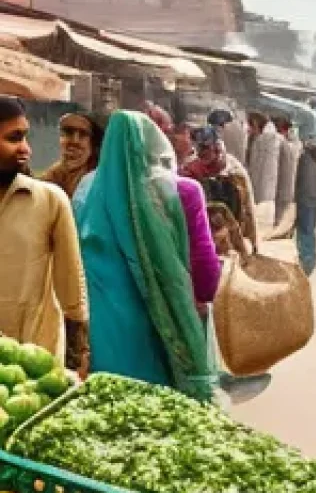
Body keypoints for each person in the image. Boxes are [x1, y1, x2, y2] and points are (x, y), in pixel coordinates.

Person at [75, 110, 218, 401]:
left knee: (108, 412)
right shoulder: (180, 191)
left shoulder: (86, 189)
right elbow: (206, 276)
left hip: (102, 331)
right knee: (160, 414)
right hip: (162, 332)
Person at [0, 97, 89, 373]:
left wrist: (79, 355)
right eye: (14, 138)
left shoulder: (49, 200)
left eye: (25, 137)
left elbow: (72, 289)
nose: (26, 148)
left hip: (36, 366)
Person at [180, 126, 258, 254]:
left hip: (229, 236)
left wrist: (252, 242)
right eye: (198, 147)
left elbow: (247, 210)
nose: (201, 152)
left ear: (216, 147)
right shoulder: (189, 169)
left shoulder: (235, 173)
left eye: (205, 147)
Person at [38, 111, 105, 200]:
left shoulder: (102, 179)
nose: (75, 141)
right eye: (68, 132)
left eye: (83, 134)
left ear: (93, 143)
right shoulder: (52, 177)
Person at [293, 110, 316, 276]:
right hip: (315, 193)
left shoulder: (308, 148)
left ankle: (307, 264)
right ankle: (308, 260)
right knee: (308, 230)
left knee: (306, 231)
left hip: (307, 194)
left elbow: (305, 174)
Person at [246, 111, 281, 212]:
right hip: (260, 191)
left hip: (264, 193)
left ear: (256, 124)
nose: (248, 129)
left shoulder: (267, 141)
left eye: (250, 125)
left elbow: (258, 169)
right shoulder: (255, 140)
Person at [272, 114, 301, 229]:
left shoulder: (282, 142)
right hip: (290, 184)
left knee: (280, 212)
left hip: (282, 183)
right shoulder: (295, 143)